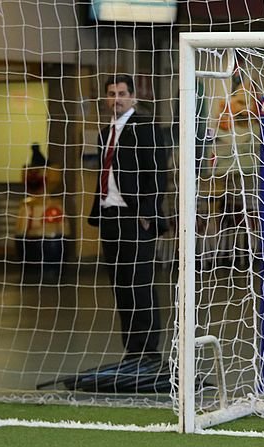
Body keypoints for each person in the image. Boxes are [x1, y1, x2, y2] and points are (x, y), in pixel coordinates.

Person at [88, 74, 170, 367]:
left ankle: (149, 351)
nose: (117, 99)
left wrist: (148, 213)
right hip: (110, 216)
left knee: (140, 284)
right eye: (112, 93)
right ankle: (132, 351)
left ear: (133, 97)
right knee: (120, 286)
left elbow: (158, 173)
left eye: (122, 93)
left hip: (136, 218)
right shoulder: (104, 133)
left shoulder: (145, 128)